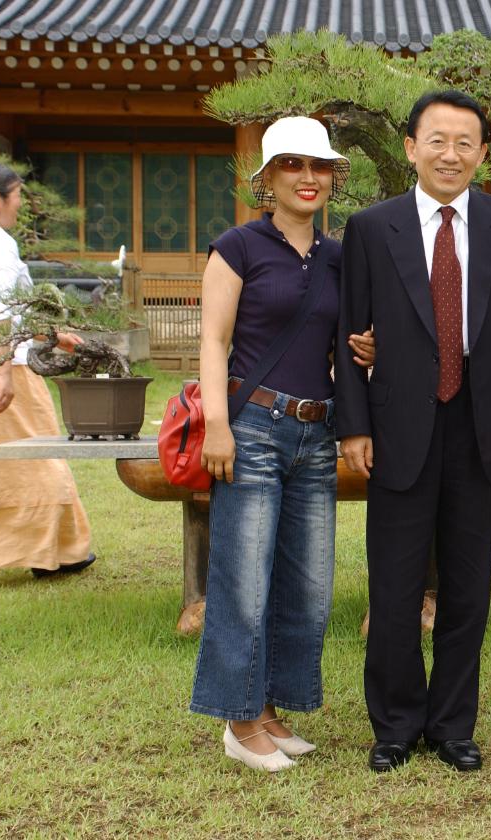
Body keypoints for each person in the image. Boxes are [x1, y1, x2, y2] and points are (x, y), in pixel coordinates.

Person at [336, 90, 491, 774]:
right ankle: (394, 725)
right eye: (437, 140)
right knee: (393, 587)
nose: (450, 154)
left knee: (467, 588)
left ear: (483, 152)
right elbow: (349, 334)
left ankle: (453, 724)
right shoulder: (370, 227)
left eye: (465, 142)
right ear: (410, 148)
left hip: (480, 429)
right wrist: (355, 426)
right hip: (397, 428)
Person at [189, 116, 351, 773]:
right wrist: (216, 424)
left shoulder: (341, 257)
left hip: (318, 431)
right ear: (267, 178)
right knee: (244, 577)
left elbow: (347, 340)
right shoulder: (238, 247)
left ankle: (272, 709)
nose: (308, 178)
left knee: (307, 583)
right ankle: (238, 718)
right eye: (293, 165)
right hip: (251, 427)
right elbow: (212, 341)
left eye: (320, 167)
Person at [0, 163, 94, 579]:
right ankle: (57, 551)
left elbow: (10, 310)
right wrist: (2, 372)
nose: (22, 203)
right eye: (17, 194)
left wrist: (55, 335)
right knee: (41, 456)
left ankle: (56, 549)